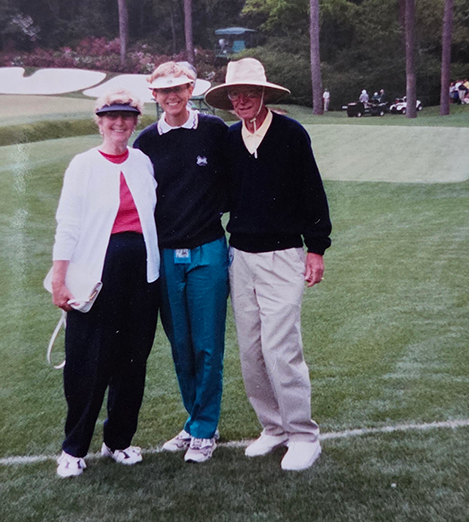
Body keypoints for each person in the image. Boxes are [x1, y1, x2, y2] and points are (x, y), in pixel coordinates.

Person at [205, 58, 332, 472]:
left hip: (283, 256)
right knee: (251, 350)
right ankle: (273, 427)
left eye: (250, 93)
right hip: (240, 256)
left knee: (281, 347)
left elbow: (313, 194)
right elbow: (222, 195)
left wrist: (316, 248)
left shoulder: (292, 134)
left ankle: (303, 435)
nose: (241, 100)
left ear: (264, 95)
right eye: (235, 95)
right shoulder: (228, 139)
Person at [50, 90, 161, 478]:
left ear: (135, 122)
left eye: (127, 117)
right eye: (111, 116)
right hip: (96, 275)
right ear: (99, 121)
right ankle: (73, 448)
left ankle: (119, 441)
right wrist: (59, 278)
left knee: (132, 361)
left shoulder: (143, 162)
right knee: (88, 363)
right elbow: (69, 224)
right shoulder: (83, 166)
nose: (119, 123)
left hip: (142, 274)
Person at [133, 62, 229, 464]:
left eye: (178, 89)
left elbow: (233, 185)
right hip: (166, 256)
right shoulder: (145, 143)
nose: (171, 96)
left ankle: (205, 429)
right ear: (154, 95)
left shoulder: (213, 131)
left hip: (208, 250)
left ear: (191, 90)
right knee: (182, 347)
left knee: (208, 344)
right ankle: (196, 420)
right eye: (163, 91)